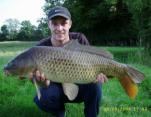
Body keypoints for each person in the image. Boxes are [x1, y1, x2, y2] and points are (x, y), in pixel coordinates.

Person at [29, 6, 108, 117]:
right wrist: (42, 83)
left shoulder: (79, 39)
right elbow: (38, 81)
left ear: (70, 24)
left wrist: (98, 75)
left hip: (79, 85)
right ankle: (59, 112)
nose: (59, 28)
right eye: (55, 23)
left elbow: (94, 62)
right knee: (44, 97)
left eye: (63, 23)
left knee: (95, 85)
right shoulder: (40, 48)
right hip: (55, 88)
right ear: (49, 24)